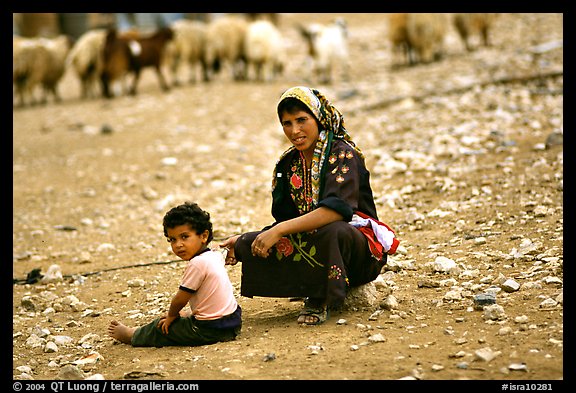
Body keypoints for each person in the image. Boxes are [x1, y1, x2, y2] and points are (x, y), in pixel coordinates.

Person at [220, 86, 399, 326]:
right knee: (248, 243)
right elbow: (284, 220)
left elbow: (338, 211)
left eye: (302, 120)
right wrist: (250, 238)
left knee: (333, 231)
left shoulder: (342, 154)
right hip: (313, 241)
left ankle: (320, 295)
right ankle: (307, 281)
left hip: (355, 251)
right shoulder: (287, 164)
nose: (295, 131)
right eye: (287, 123)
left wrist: (278, 231)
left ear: (319, 117)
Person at [108, 201, 241, 346]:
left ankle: (133, 335)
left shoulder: (197, 264)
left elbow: (180, 299)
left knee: (162, 326)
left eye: (184, 237)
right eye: (172, 240)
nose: (178, 245)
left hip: (209, 329)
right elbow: (222, 251)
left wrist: (172, 315)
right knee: (185, 315)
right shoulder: (214, 255)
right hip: (232, 321)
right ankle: (189, 318)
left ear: (203, 236)